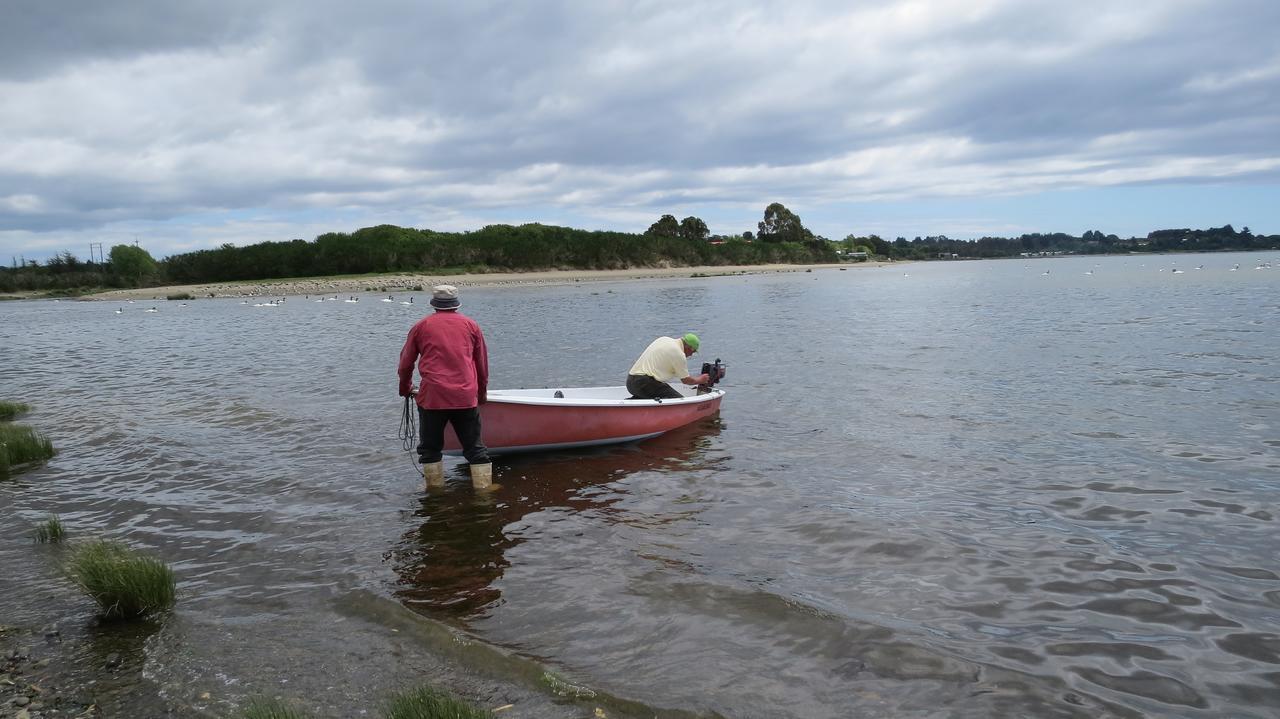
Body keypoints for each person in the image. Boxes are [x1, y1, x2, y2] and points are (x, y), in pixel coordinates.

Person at [397, 285, 493, 489]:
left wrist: (405, 387)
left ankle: (434, 495)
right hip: (465, 396)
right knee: (476, 449)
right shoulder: (471, 325)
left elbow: (405, 364)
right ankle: (484, 495)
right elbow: (482, 364)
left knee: (430, 450)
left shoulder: (421, 326)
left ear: (434, 304)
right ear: (456, 304)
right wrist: (481, 393)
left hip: (433, 397)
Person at [626, 333, 710, 400]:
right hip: (644, 383)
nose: (691, 355)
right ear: (689, 347)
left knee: (657, 392)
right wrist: (700, 379)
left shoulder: (664, 339)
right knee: (678, 401)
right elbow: (686, 380)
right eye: (693, 351)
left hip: (630, 382)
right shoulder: (679, 354)